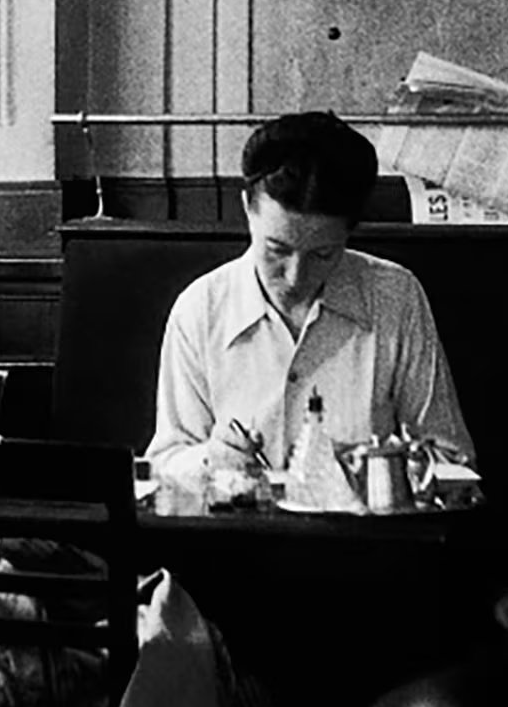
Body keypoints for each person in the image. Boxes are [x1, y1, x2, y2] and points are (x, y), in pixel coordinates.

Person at [147, 110, 473, 484]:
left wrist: (388, 469)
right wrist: (211, 459)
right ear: (247, 209)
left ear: (350, 234)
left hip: (367, 537)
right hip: (240, 535)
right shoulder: (201, 309)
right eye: (276, 250)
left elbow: (452, 460)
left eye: (322, 255)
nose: (295, 277)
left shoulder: (394, 297)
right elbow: (165, 461)